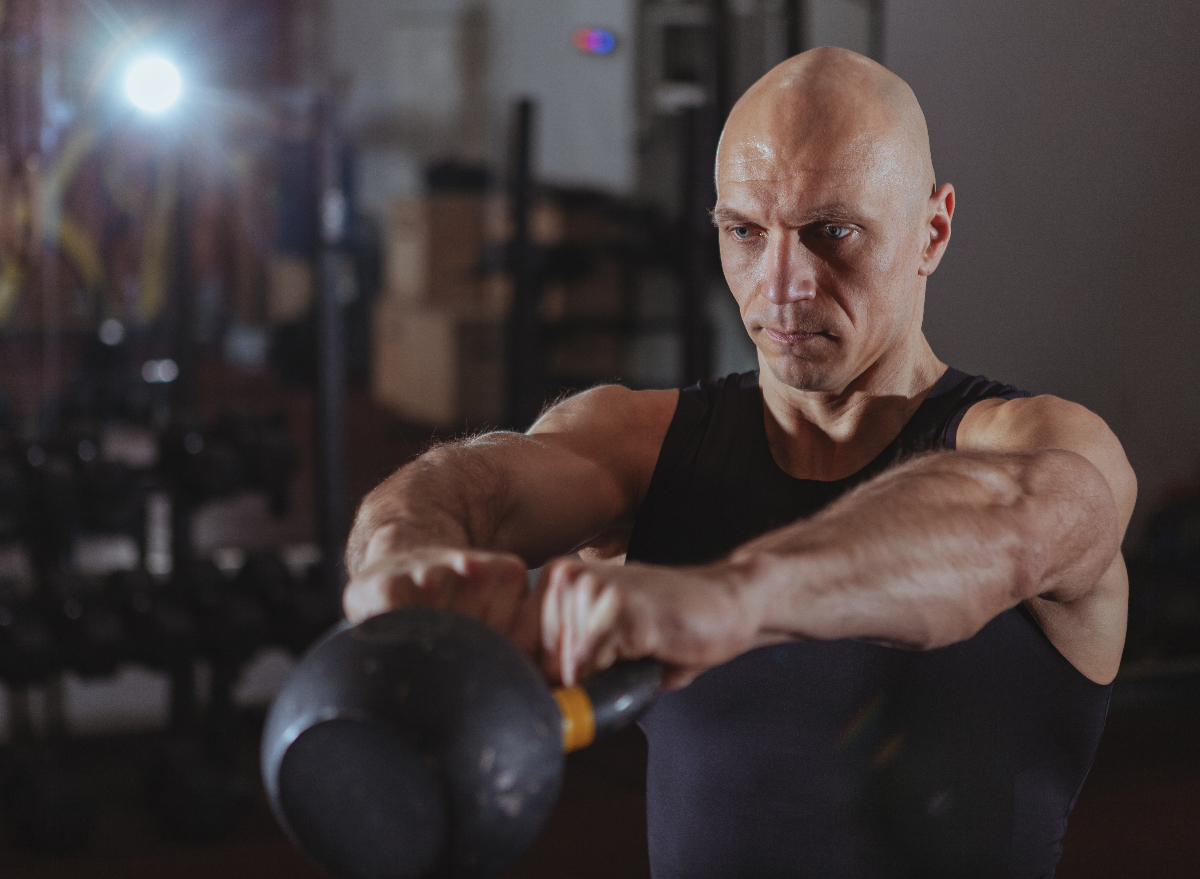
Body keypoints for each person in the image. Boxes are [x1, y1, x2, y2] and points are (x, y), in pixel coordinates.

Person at [344, 47, 1135, 879]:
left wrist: (729, 598)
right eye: (746, 232)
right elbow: (481, 485)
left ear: (931, 232)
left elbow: (1006, 525)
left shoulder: (1044, 445)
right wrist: (406, 550)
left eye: (833, 232)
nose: (781, 283)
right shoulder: (638, 446)